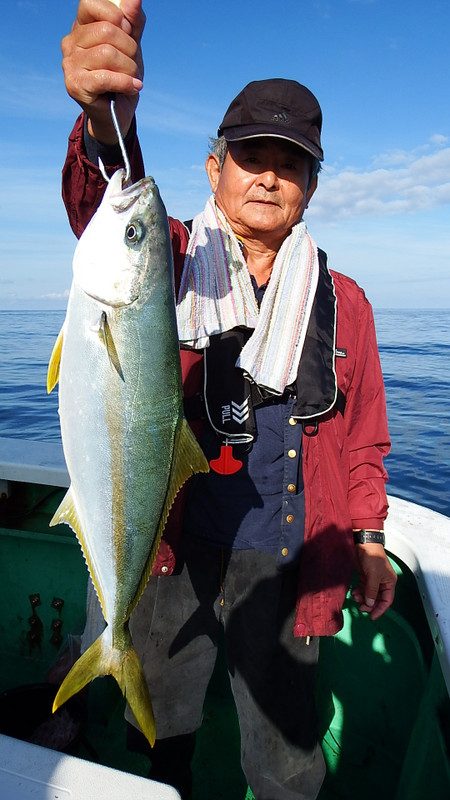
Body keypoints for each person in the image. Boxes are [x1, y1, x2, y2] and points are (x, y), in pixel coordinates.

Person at [61, 2, 397, 798]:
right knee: (165, 729)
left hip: (284, 560)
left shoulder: (344, 302)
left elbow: (363, 435)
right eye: (251, 155)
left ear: (311, 187)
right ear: (215, 169)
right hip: (170, 547)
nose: (270, 175)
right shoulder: (166, 258)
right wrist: (104, 123)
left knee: (284, 758)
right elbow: (100, 202)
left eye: (291, 162)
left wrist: (371, 538)